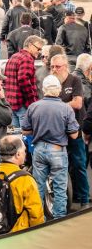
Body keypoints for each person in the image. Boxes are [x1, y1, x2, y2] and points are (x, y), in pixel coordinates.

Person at [22, 75, 79, 220]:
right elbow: (73, 135)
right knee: (60, 188)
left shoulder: (34, 106)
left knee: (38, 187)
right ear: (59, 90)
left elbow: (25, 130)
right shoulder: (66, 108)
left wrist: (38, 128)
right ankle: (59, 219)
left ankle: (39, 218)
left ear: (43, 89)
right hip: (57, 150)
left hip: (39, 149)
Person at [49, 53, 90, 210]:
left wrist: (56, 105)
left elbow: (78, 103)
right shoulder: (50, 81)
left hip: (75, 130)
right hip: (57, 132)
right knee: (60, 167)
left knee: (79, 164)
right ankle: (66, 200)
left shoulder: (75, 80)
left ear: (65, 66)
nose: (54, 69)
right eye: (52, 66)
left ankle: (84, 199)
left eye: (57, 66)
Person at [4, 35, 43, 127]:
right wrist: (32, 101)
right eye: (38, 49)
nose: (39, 52)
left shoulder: (14, 56)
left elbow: (6, 77)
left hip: (11, 102)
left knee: (17, 137)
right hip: (22, 104)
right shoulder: (27, 59)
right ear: (30, 45)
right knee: (26, 136)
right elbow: (23, 80)